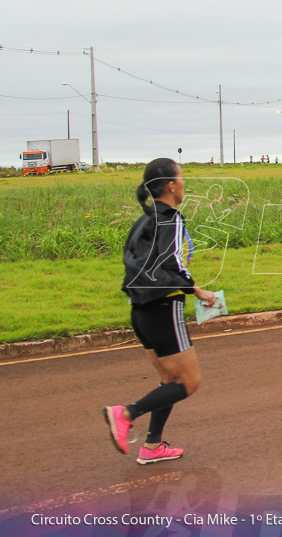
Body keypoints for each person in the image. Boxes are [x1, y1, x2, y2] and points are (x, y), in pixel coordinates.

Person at [104, 158, 217, 465]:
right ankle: (125, 413)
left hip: (139, 311)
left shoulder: (142, 220)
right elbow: (170, 263)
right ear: (170, 185)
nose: (184, 184)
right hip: (163, 307)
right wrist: (197, 289)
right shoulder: (171, 218)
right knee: (188, 383)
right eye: (181, 179)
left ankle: (152, 446)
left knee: (169, 379)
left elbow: (137, 262)